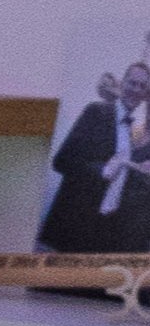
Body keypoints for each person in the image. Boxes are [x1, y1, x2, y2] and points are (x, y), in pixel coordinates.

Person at [39, 59, 150, 255]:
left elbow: (119, 179)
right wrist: (102, 170)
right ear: (122, 83)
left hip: (99, 234)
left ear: (144, 96)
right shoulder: (96, 112)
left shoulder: (131, 132)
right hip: (73, 228)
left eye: (142, 86)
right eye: (132, 83)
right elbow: (62, 160)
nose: (136, 89)